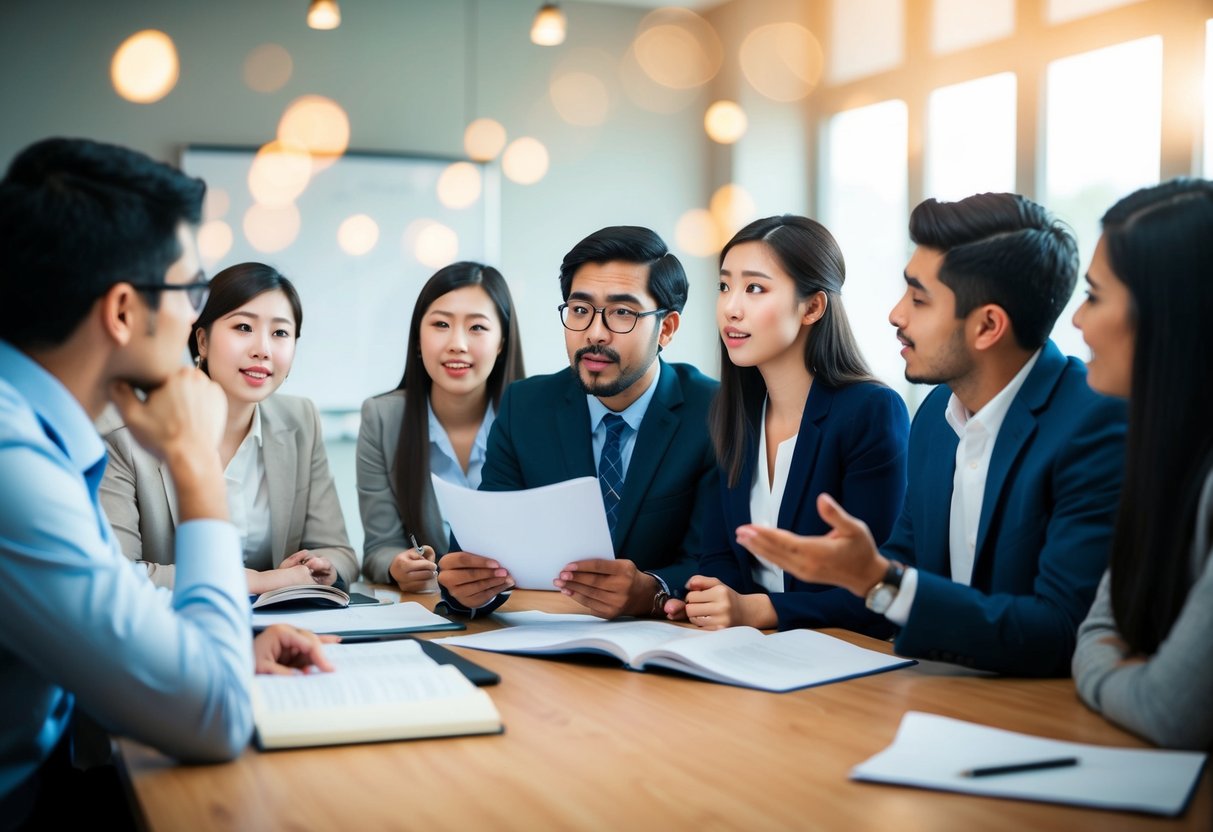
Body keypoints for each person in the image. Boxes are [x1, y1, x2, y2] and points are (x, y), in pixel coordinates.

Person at [0, 137, 329, 826]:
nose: (193, 317)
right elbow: (210, 717)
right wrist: (194, 461)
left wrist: (228, 645)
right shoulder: (11, 458)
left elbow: (105, 609)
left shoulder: (32, 428)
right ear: (123, 311)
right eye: (190, 290)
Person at [734, 193, 1126, 676]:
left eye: (919, 299)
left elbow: (1062, 629)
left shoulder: (1094, 422)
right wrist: (854, 569)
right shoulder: (936, 413)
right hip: (931, 691)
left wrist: (881, 579)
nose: (896, 314)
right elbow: (904, 562)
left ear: (987, 326)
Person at [437, 226, 719, 619]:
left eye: (622, 312)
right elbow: (481, 544)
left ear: (666, 328)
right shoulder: (526, 407)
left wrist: (652, 590)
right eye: (580, 310)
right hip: (547, 641)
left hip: (671, 647)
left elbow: (718, 561)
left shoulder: (712, 411)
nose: (595, 333)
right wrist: (469, 589)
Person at [665, 215, 908, 632]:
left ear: (812, 306)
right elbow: (719, 553)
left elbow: (879, 587)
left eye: (754, 288)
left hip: (843, 658)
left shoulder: (870, 411)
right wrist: (713, 597)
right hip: (747, 650)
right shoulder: (735, 409)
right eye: (724, 286)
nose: (731, 307)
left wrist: (758, 609)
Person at [99, 263, 358, 593]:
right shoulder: (127, 431)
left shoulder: (300, 419)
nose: (262, 349)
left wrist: (321, 567)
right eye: (243, 327)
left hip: (286, 630)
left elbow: (341, 553)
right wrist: (259, 581)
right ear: (202, 341)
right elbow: (119, 574)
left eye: (280, 333)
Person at [1071, 179, 1213, 749]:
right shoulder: (1161, 447)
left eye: (1095, 295)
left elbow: (1170, 710)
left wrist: (1106, 673)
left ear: (1169, 314)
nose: (1078, 320)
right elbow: (1102, 625)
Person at [357, 262, 525, 592]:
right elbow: (379, 548)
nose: (457, 343)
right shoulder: (382, 419)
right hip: (431, 610)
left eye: (477, 327)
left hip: (522, 607)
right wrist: (398, 565)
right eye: (441, 324)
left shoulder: (534, 418)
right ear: (418, 338)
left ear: (502, 341)